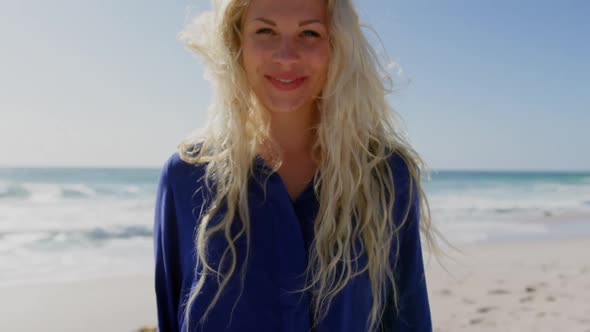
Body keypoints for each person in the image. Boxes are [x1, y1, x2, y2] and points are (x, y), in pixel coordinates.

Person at [154, 0, 446, 331]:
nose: (287, 55)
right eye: (265, 31)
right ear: (237, 42)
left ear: (336, 44)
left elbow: (408, 321)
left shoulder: (386, 176)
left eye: (309, 32)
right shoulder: (186, 176)